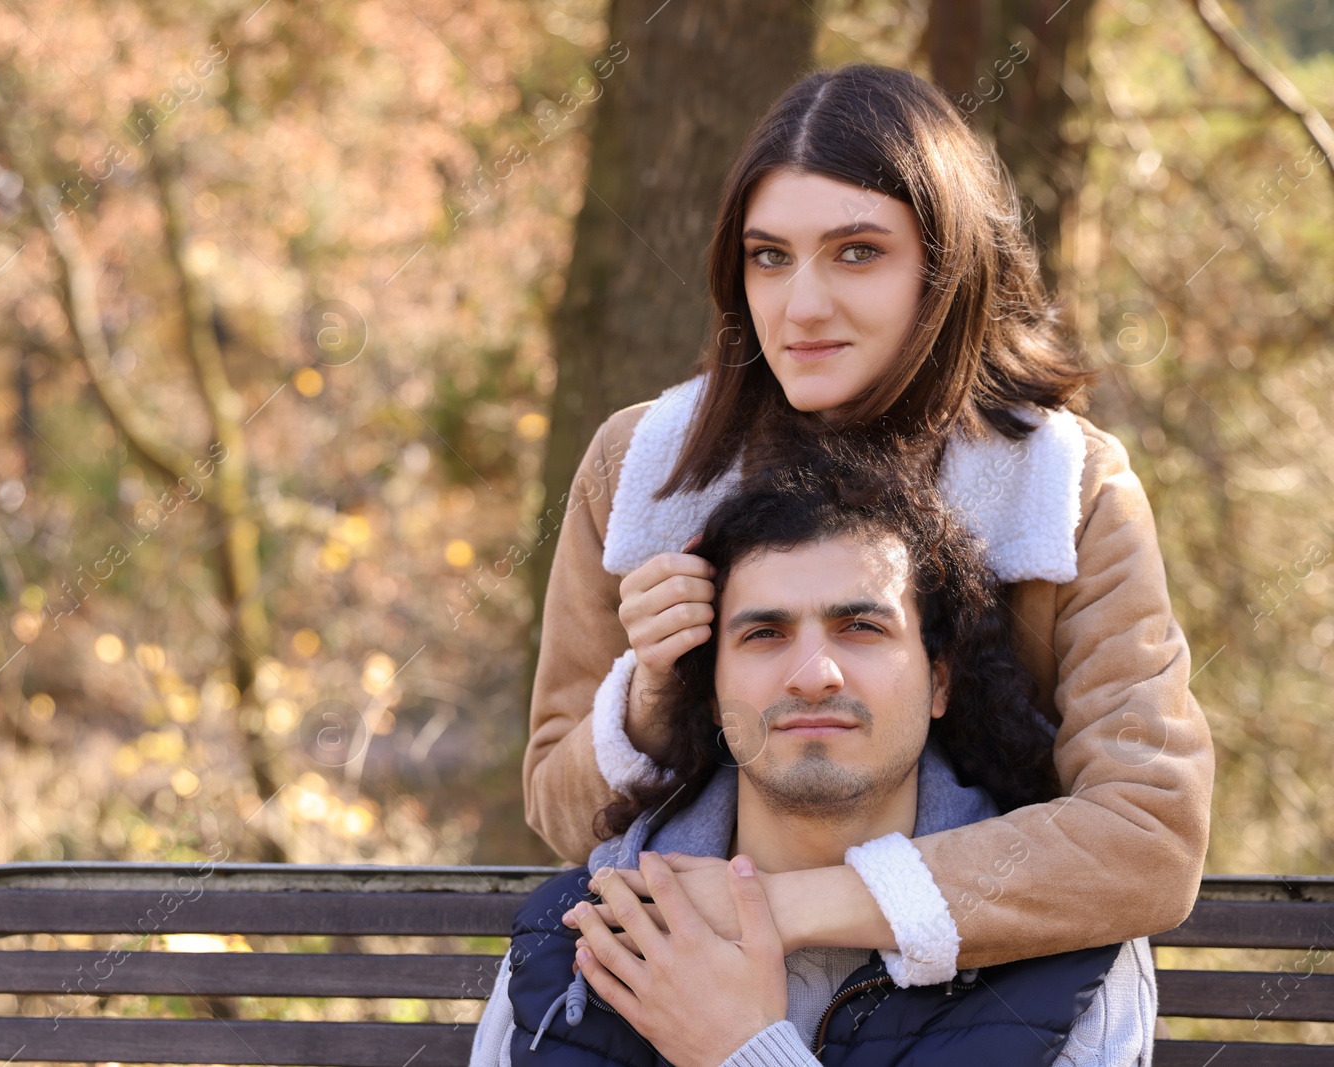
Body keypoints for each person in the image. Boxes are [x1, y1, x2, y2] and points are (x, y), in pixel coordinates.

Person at [524, 63, 1213, 979]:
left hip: (990, 1002)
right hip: (687, 980)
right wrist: (652, 692)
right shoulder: (641, 467)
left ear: (946, 265)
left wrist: (801, 906)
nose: (802, 305)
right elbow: (559, 812)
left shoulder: (1067, 486)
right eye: (769, 256)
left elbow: (1149, 838)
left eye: (857, 251)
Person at [477, 457, 1156, 1067]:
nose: (813, 674)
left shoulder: (1066, 955)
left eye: (861, 627)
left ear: (940, 680)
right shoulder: (572, 938)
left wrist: (743, 1053)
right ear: (712, 696)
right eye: (765, 633)